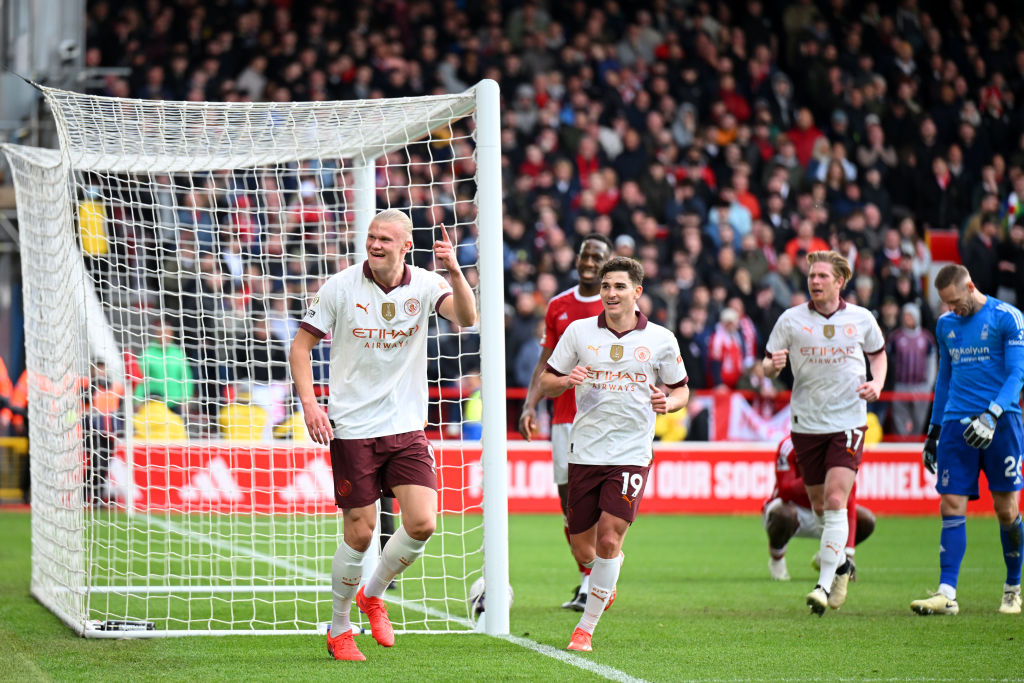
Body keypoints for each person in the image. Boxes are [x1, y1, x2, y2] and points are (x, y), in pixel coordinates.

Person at [289, 209, 477, 661]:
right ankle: (339, 629)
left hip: (406, 426)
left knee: (423, 523)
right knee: (360, 534)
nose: (375, 245)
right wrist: (311, 404)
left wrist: (454, 270)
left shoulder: (429, 284)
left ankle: (373, 596)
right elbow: (300, 346)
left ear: (405, 246)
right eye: (371, 237)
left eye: (385, 239)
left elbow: (467, 318)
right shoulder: (341, 286)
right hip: (353, 428)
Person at [539, 257, 689, 652]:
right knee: (582, 546)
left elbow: (682, 390)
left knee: (609, 539)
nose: (610, 293)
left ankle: (584, 630)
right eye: (606, 286)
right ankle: (608, 575)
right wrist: (565, 380)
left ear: (637, 292)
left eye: (619, 286)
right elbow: (546, 381)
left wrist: (668, 404)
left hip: (631, 453)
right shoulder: (578, 332)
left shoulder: (660, 339)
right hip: (584, 450)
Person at [763, 250, 887, 615]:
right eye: (811, 276)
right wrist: (773, 366)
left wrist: (876, 383)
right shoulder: (790, 319)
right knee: (819, 506)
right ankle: (840, 563)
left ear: (839, 281)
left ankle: (825, 581)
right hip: (806, 424)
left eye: (821, 276)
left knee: (835, 500)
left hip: (848, 422)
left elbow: (878, 354)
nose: (814, 281)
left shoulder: (862, 318)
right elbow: (766, 365)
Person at [911, 264, 1024, 616]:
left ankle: (1012, 587)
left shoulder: (1008, 317)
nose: (951, 310)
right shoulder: (946, 326)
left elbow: (1017, 373)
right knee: (950, 505)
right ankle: (947, 593)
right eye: (945, 304)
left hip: (1001, 423)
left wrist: (992, 414)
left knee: (1006, 510)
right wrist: (933, 430)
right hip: (956, 425)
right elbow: (944, 378)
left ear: (971, 287)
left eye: (955, 302)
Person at [517, 234, 613, 611]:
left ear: (608, 262)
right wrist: (529, 404)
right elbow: (546, 362)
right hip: (564, 417)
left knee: (601, 501)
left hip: (604, 416)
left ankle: (599, 579)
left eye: (597, 256)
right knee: (569, 504)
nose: (589, 261)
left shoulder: (616, 303)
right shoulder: (558, 305)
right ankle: (588, 578)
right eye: (584, 254)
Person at [763, 434, 876, 581]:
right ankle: (777, 559)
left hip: (829, 512)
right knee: (783, 516)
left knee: (866, 520)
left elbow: (849, 501)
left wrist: (849, 553)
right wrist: (820, 479)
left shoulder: (843, 449)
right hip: (794, 509)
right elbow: (785, 489)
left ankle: (827, 556)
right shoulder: (790, 444)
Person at [886, 303, 937, 436]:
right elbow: (888, 361)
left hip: (920, 386)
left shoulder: (926, 338)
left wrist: (928, 385)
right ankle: (900, 450)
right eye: (905, 316)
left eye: (910, 316)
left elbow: (931, 362)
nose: (907, 319)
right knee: (899, 420)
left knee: (919, 421)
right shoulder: (895, 337)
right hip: (901, 385)